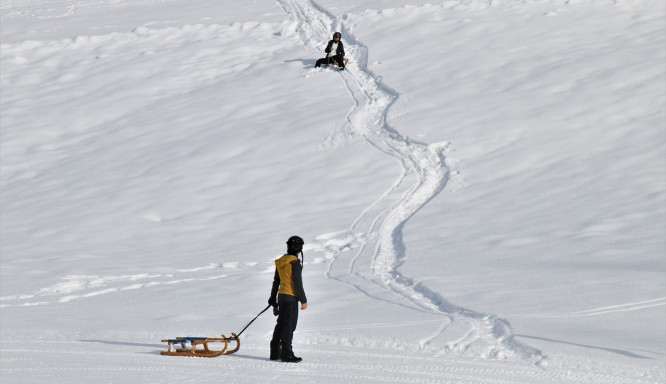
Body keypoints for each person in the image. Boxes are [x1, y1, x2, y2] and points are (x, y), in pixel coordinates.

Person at [268, 236, 308, 363]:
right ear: (299, 248)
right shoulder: (294, 263)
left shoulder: (281, 261)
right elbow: (297, 283)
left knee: (281, 324)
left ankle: (275, 352)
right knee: (289, 326)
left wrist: (272, 298)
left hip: (281, 296)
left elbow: (276, 281)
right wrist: (303, 300)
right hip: (291, 298)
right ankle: (286, 353)